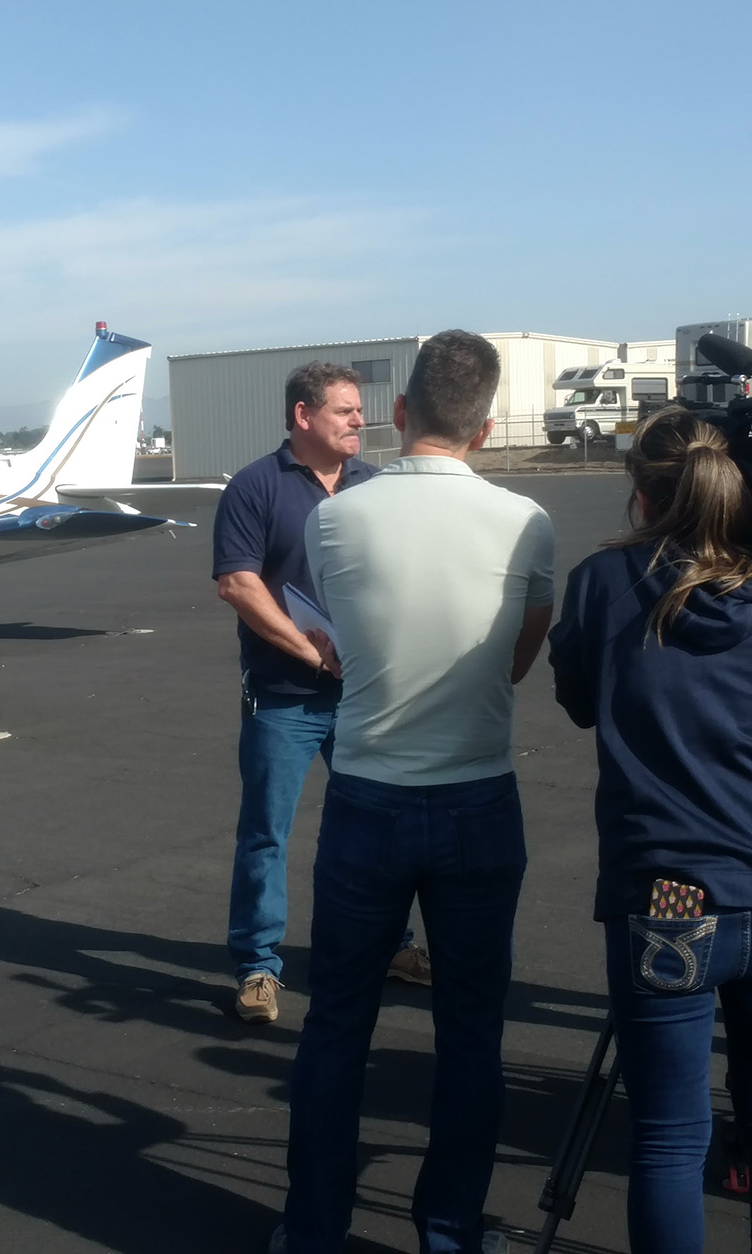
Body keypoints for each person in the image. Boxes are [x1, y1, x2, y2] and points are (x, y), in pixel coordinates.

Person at [548, 405, 752, 1254]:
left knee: (669, 1135)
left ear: (643, 494)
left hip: (669, 895)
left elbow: (579, 698)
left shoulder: (604, 583)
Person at [275, 331, 554, 1254]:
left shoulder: (336, 520)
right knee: (471, 1034)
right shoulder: (526, 522)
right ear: (483, 426)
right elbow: (518, 654)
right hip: (477, 797)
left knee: (338, 1025)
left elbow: (349, 630)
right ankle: (450, 1231)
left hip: (368, 795)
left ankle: (313, 1230)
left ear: (400, 414)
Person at [213, 364, 429, 1026]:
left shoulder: (374, 487)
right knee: (266, 834)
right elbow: (238, 584)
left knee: (379, 826)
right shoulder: (255, 487)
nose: (359, 421)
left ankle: (392, 945)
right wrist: (310, 651)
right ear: (304, 416)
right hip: (285, 698)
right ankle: (256, 966)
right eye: (344, 411)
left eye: (359, 411)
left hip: (364, 694)